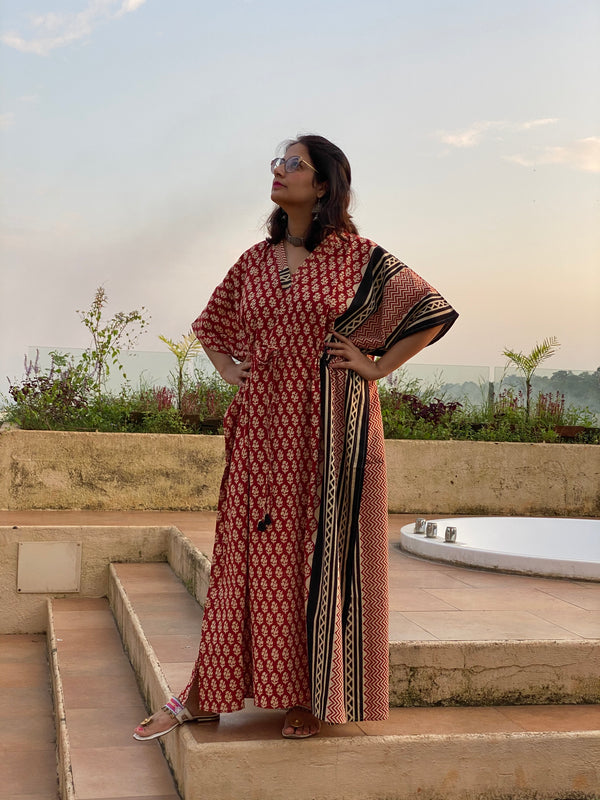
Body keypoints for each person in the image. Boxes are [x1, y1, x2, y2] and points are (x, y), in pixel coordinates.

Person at [134, 134, 458, 741]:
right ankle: (209, 693)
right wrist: (231, 370)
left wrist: (377, 364)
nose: (280, 172)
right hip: (261, 433)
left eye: (294, 164)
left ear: (325, 185)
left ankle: (310, 696)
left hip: (330, 430)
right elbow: (212, 324)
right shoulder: (256, 260)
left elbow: (431, 310)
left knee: (319, 555)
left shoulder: (359, 258)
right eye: (277, 163)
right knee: (246, 557)